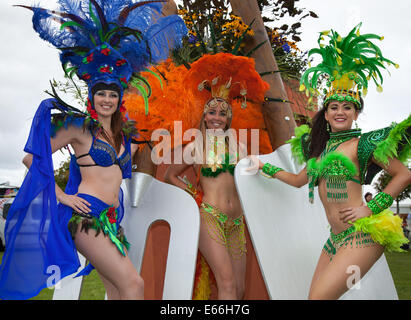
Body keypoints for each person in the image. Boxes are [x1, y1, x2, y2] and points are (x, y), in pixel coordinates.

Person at [0, 0, 186, 300]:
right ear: (92, 95)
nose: (107, 99)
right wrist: (64, 197)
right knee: (134, 286)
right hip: (86, 219)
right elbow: (31, 158)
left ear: (119, 98)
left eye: (113, 94)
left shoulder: (124, 135)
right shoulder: (78, 127)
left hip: (111, 220)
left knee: (116, 291)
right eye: (101, 93)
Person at [249, 24, 411, 300]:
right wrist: (266, 167)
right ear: (325, 114)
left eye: (347, 107)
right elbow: (299, 180)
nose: (340, 112)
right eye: (334, 107)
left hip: (362, 236)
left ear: (355, 114)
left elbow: (404, 175)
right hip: (335, 240)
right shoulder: (320, 151)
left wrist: (370, 208)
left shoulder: (363, 144)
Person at [164, 53, 269, 300]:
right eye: (212, 112)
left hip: (237, 222)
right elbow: (170, 176)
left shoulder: (239, 146)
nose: (216, 118)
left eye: (223, 114)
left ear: (229, 119)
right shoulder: (195, 147)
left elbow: (248, 178)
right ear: (204, 116)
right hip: (210, 217)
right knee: (228, 285)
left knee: (239, 290)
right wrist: (195, 195)